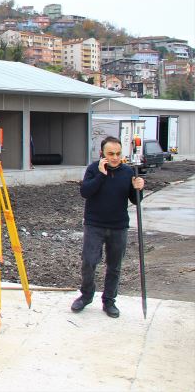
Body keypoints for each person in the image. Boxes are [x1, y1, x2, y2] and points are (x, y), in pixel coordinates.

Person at [71, 136, 144, 318]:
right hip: (94, 224)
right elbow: (85, 192)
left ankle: (109, 301)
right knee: (89, 262)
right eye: (111, 153)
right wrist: (101, 175)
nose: (115, 157)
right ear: (102, 153)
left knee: (114, 266)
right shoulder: (93, 170)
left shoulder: (128, 172)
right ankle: (86, 295)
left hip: (118, 226)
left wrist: (138, 189)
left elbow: (135, 201)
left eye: (118, 154)